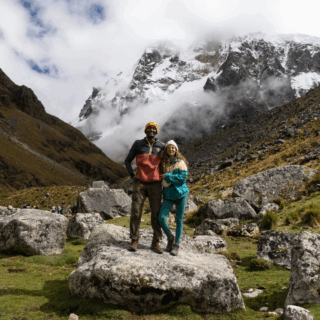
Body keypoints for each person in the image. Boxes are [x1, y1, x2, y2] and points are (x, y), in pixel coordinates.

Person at [124, 122, 165, 253]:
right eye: (149, 128)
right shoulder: (138, 144)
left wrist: (166, 175)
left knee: (156, 213)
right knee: (136, 211)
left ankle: (156, 242)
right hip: (140, 182)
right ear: (145, 130)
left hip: (156, 183)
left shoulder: (162, 146)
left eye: (154, 128)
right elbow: (127, 160)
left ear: (156, 131)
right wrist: (132, 175)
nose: (151, 130)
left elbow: (167, 162)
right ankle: (134, 240)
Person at [158, 140, 189, 256]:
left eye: (173, 148)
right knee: (161, 218)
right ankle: (170, 238)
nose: (171, 149)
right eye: (169, 148)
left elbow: (181, 179)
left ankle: (176, 244)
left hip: (181, 195)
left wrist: (167, 176)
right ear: (166, 150)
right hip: (168, 195)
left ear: (176, 150)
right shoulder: (163, 163)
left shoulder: (181, 163)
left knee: (179, 220)